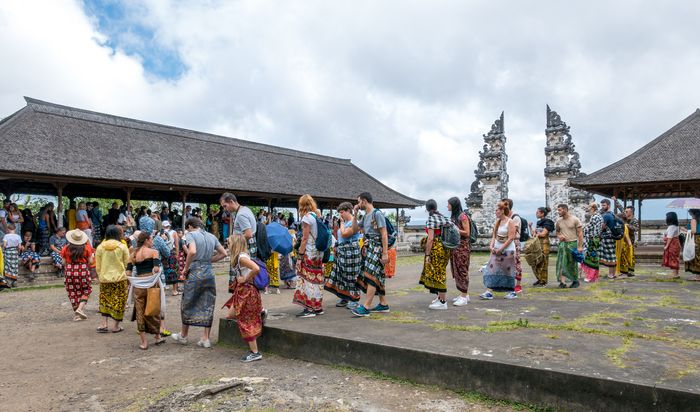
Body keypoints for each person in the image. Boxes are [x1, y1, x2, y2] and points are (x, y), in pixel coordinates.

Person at [171, 218, 226, 348]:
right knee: (208, 303)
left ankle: (183, 335)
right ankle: (205, 338)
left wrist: (185, 268)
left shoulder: (191, 235)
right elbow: (223, 253)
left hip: (195, 272)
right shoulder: (212, 236)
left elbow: (193, 251)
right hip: (209, 273)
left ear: (190, 226)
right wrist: (209, 260)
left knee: (188, 301)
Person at [223, 233, 263, 362]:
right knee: (231, 315)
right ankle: (260, 312)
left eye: (229, 243)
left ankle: (255, 352)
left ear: (235, 244)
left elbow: (256, 268)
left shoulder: (241, 258)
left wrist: (245, 278)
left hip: (247, 291)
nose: (227, 246)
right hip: (242, 291)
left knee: (246, 320)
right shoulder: (240, 257)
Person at [351, 192, 390, 317]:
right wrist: (355, 213)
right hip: (369, 246)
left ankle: (366, 306)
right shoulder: (366, 215)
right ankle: (383, 304)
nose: (358, 204)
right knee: (377, 275)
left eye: (359, 202)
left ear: (364, 201)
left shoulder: (377, 214)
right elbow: (355, 229)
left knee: (371, 275)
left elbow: (384, 234)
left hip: (376, 247)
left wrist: (385, 253)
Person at [126, 232, 166, 349]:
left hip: (138, 285)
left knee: (140, 312)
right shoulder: (154, 252)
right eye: (151, 239)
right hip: (151, 284)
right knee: (153, 309)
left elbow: (128, 272)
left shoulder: (133, 254)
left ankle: (144, 342)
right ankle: (157, 337)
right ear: (147, 240)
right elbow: (157, 268)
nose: (152, 241)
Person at [324, 202, 362, 308]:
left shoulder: (354, 223)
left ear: (348, 211)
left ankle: (354, 299)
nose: (341, 215)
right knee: (341, 275)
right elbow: (340, 236)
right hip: (342, 251)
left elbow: (345, 234)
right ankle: (345, 297)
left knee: (352, 275)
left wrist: (341, 223)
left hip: (351, 251)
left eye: (342, 212)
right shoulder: (345, 223)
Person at [292, 194, 325, 318]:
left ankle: (309, 308)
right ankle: (317, 307)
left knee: (307, 280)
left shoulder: (306, 218)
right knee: (317, 279)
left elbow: (305, 239)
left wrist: (300, 256)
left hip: (309, 253)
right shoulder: (316, 216)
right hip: (319, 253)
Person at [480, 202, 518, 300]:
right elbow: (494, 236)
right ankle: (489, 291)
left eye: (497, 210)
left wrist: (501, 248)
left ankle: (512, 291)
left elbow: (511, 237)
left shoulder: (510, 222)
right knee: (492, 269)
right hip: (497, 248)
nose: (495, 212)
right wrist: (491, 245)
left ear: (502, 211)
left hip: (508, 249)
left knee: (507, 271)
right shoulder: (497, 222)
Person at [418, 199, 452, 309]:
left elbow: (431, 239)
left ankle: (443, 301)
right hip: (446, 247)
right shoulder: (444, 217)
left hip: (436, 248)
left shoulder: (431, 219)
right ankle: (439, 298)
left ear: (427, 209)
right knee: (440, 271)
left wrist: (427, 254)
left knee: (438, 273)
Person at [95, 225, 129, 333]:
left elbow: (98, 265)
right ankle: (115, 326)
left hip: (105, 279)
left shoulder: (100, 247)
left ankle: (103, 324)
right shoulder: (122, 246)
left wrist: (100, 275)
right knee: (119, 300)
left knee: (105, 300)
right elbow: (126, 262)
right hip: (120, 278)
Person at [61, 229, 94, 321]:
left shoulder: (66, 248)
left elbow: (63, 262)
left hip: (69, 270)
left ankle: (77, 314)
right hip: (82, 270)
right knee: (86, 290)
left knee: (72, 291)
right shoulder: (87, 248)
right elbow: (91, 262)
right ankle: (80, 309)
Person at [448, 197, 472, 305]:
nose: (447, 206)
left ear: (453, 205)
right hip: (455, 247)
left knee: (462, 269)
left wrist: (455, 229)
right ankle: (464, 294)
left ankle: (464, 295)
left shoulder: (462, 216)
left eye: (449, 204)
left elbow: (467, 232)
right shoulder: (454, 216)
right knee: (456, 270)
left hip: (462, 247)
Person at [219, 193, 258, 258]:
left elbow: (248, 234)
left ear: (231, 202)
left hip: (244, 249)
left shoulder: (241, 215)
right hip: (249, 247)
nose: (224, 209)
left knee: (242, 268)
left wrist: (231, 239)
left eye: (225, 206)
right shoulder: (246, 209)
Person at [554, 204, 584, 288]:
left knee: (572, 263)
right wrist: (559, 236)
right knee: (561, 263)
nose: (558, 212)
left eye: (559, 210)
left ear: (565, 210)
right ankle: (562, 283)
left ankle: (575, 281)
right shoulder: (558, 221)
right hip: (562, 245)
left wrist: (580, 246)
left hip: (572, 244)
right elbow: (557, 232)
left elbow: (580, 234)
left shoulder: (575, 219)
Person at [501, 198, 524, 295]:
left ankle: (518, 284)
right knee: (504, 263)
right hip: (504, 242)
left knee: (516, 262)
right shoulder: (503, 217)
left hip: (514, 242)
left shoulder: (515, 217)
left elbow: (512, 233)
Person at [528, 207, 554, 287]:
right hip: (538, 243)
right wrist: (530, 227)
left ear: (542, 213)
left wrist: (537, 234)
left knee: (544, 262)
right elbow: (533, 234)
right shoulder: (539, 222)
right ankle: (539, 278)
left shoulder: (548, 222)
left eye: (538, 212)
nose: (536, 213)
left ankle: (543, 281)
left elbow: (543, 234)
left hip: (544, 243)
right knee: (536, 261)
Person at [580, 203, 603, 283]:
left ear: (593, 208)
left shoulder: (595, 217)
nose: (588, 208)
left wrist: (583, 228)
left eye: (589, 207)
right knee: (594, 258)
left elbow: (589, 229)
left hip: (591, 240)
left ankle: (590, 276)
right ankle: (594, 277)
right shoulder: (598, 216)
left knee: (590, 259)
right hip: (594, 239)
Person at [160, 221, 181, 295]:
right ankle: (175, 290)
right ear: (169, 225)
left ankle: (164, 287)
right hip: (171, 253)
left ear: (162, 226)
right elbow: (177, 244)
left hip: (163, 254)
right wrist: (177, 254)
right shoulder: (174, 232)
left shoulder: (160, 233)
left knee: (164, 269)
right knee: (174, 269)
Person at [598, 199, 618, 279]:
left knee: (610, 255)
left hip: (607, 237)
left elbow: (602, 226)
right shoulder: (613, 214)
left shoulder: (606, 215)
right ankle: (612, 274)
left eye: (604, 205)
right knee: (612, 254)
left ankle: (611, 274)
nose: (602, 207)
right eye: (602, 205)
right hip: (613, 236)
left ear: (608, 206)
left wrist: (599, 235)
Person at [662, 212, 681, 279]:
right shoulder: (676, 226)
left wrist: (666, 246)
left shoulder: (671, 227)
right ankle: (676, 273)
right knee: (675, 258)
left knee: (673, 258)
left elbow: (670, 237)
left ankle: (675, 274)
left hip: (673, 244)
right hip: (676, 243)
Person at [685, 209, 700, 281]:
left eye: (690, 212)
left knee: (697, 257)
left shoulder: (694, 220)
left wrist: (685, 230)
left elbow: (693, 231)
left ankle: (698, 276)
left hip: (697, 238)